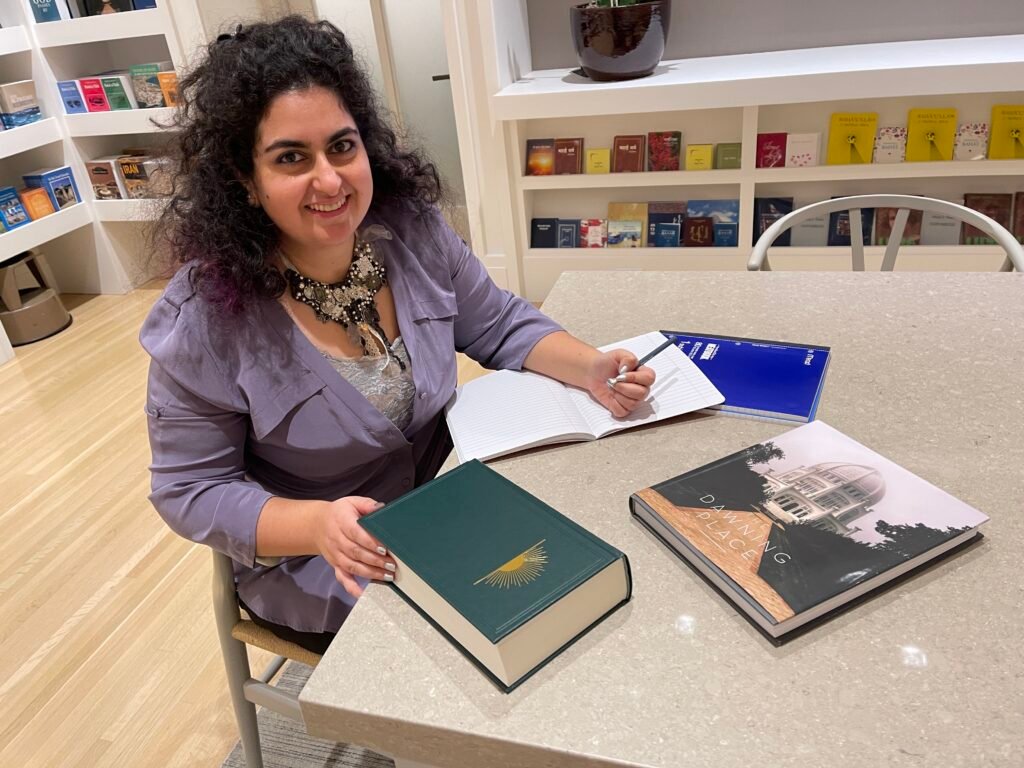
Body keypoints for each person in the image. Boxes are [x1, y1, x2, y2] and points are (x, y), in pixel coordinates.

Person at [142, 16, 656, 654]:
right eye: (290, 158)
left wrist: (591, 367)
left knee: (596, 571)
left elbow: (495, 320)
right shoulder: (205, 317)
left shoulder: (409, 231)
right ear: (245, 180)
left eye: (342, 146)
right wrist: (317, 525)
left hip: (449, 499)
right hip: (332, 559)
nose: (329, 180)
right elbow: (189, 489)